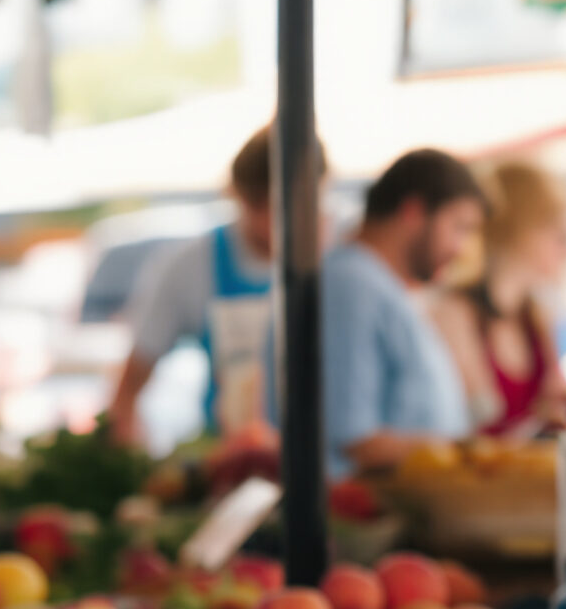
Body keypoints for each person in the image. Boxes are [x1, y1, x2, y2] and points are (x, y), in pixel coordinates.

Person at [106, 127, 318, 447]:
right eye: (262, 206)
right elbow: (131, 382)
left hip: (323, 456)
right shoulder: (188, 267)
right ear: (239, 197)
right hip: (229, 458)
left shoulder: (339, 259)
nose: (277, 221)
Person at [321, 148, 485, 474]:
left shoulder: (376, 283)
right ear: (413, 212)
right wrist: (468, 455)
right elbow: (354, 437)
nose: (461, 249)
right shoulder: (352, 285)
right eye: (459, 227)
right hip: (361, 515)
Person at [429, 161, 566, 438]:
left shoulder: (535, 314)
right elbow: (476, 427)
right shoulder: (454, 313)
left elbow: (558, 405)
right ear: (520, 229)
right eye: (557, 231)